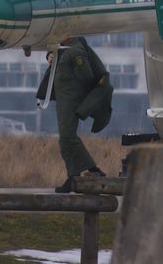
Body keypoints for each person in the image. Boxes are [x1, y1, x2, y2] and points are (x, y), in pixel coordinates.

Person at [36, 36, 114, 193]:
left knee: (68, 138)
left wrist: (85, 102)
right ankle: (73, 177)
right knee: (65, 141)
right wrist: (50, 55)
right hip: (64, 102)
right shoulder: (64, 49)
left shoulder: (76, 51)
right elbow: (55, 56)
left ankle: (93, 170)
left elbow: (87, 78)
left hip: (71, 103)